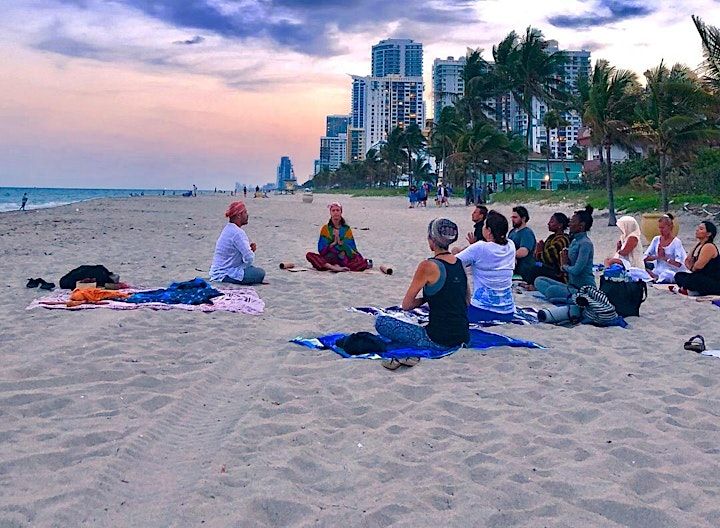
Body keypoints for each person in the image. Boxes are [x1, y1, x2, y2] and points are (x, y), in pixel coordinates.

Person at [375, 218, 470, 364]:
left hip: (437, 339)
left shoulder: (428, 266)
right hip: (463, 335)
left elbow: (407, 305)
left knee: (381, 322)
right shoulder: (459, 263)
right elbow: (467, 301)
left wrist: (426, 298)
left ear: (432, 240)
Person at [456, 210, 516, 322]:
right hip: (508, 311)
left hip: (483, 310)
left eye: (484, 226)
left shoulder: (480, 247)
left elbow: (453, 262)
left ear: (489, 231)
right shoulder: (511, 245)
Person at [534, 205, 595, 304]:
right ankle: (568, 298)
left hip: (584, 289)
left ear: (581, 225)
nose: (570, 224)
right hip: (571, 285)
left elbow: (576, 270)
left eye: (572, 221)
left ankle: (573, 299)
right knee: (539, 280)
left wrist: (564, 265)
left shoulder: (585, 244)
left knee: (551, 291)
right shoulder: (574, 241)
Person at [209, 201, 266, 285]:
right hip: (226, 274)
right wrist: (250, 253)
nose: (247, 215)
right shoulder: (238, 233)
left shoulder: (228, 229)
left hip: (216, 272)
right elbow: (249, 259)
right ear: (239, 215)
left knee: (252, 269)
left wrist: (249, 250)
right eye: (245, 212)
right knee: (260, 273)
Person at [306, 202, 368, 272]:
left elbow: (352, 249)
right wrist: (333, 243)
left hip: (343, 257)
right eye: (333, 210)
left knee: (361, 262)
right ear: (330, 213)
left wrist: (341, 244)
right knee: (309, 255)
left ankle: (337, 266)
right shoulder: (325, 228)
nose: (335, 212)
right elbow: (321, 250)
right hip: (329, 258)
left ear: (341, 212)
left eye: (337, 210)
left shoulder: (346, 229)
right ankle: (332, 267)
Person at [524, 212, 570, 287]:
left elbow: (548, 257)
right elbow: (538, 257)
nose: (548, 223)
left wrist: (539, 252)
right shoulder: (551, 238)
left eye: (552, 222)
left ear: (560, 225)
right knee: (532, 264)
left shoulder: (562, 240)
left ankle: (532, 285)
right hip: (546, 266)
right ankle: (530, 283)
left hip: (557, 272)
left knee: (536, 267)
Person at [675, 221, 720, 295]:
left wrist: (692, 267)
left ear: (708, 234)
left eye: (701, 229)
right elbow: (687, 261)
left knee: (693, 278)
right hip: (701, 276)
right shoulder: (699, 245)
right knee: (679, 275)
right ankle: (692, 290)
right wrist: (696, 244)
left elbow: (698, 267)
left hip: (713, 280)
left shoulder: (709, 246)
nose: (697, 230)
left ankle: (689, 290)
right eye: (698, 228)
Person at [643, 213, 687, 283]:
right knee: (638, 270)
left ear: (670, 227)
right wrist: (657, 257)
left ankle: (656, 278)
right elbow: (644, 258)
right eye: (659, 228)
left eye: (663, 228)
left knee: (667, 275)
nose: (661, 230)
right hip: (657, 270)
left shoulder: (676, 242)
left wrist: (665, 258)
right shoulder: (656, 239)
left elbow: (678, 264)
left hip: (671, 271)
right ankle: (655, 277)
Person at [508, 206, 537, 282]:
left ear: (523, 218)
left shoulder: (527, 233)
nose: (512, 220)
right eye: (512, 217)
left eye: (515, 217)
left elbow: (523, 251)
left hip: (524, 269)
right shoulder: (512, 232)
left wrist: (508, 255)